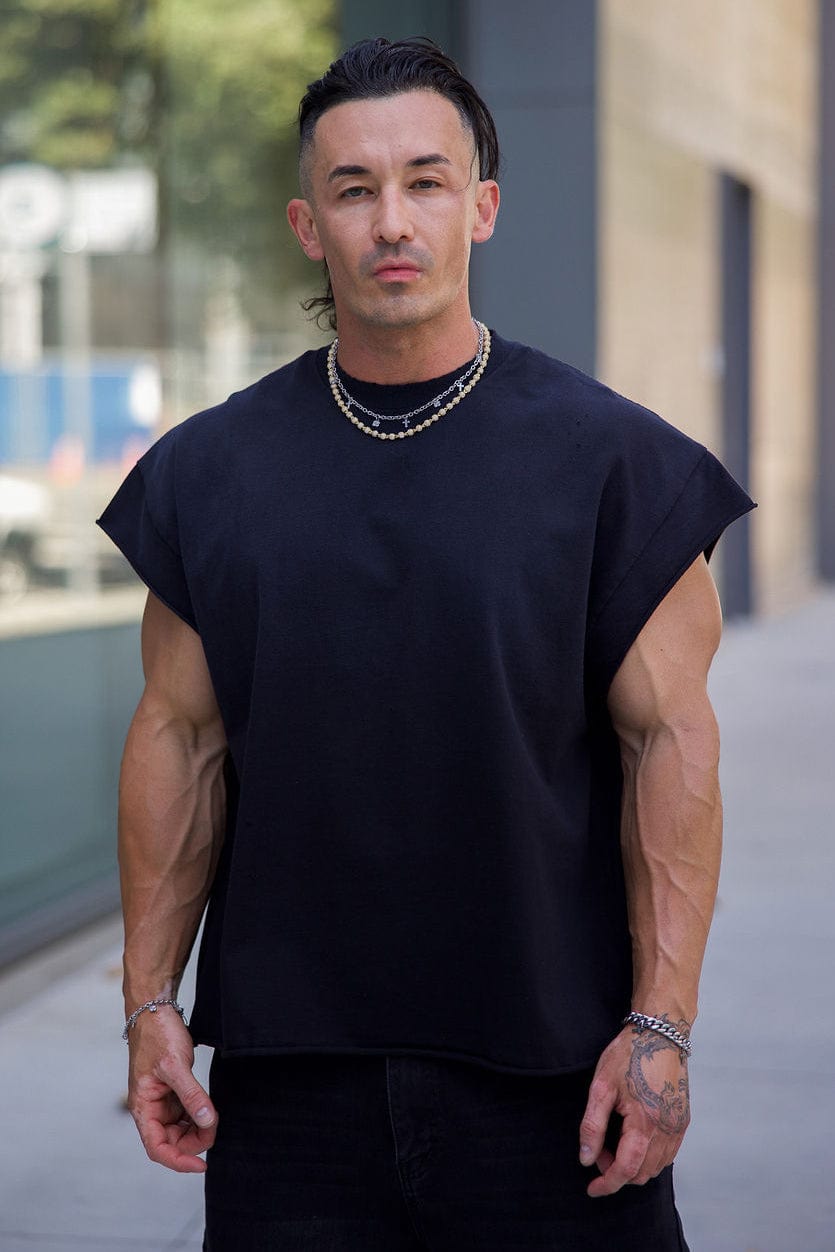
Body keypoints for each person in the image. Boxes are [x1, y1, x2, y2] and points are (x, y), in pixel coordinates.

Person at [98, 36, 754, 1251]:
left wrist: (659, 1028)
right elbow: (179, 739)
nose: (391, 221)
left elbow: (670, 744)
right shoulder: (211, 472)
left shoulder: (613, 464)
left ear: (481, 207)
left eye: (425, 181)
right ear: (308, 225)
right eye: (353, 189)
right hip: (289, 1092)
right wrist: (149, 1004)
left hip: (555, 1085)